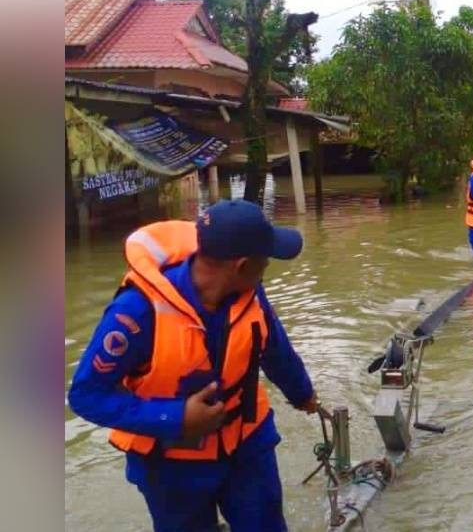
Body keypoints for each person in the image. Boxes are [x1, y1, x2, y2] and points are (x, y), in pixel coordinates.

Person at [67, 199, 319, 532]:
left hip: (246, 448)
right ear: (242, 265)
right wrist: (174, 417)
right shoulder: (136, 313)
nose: (268, 266)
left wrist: (303, 395)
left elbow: (275, 349)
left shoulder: (250, 293)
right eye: (266, 260)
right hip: (171, 467)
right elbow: (86, 395)